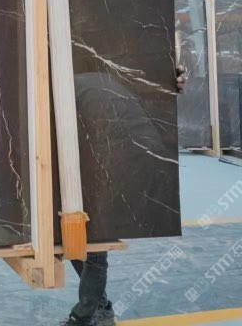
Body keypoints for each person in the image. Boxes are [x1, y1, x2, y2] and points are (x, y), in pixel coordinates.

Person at [61, 67, 186, 326]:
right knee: (77, 237)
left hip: (124, 157)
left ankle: (85, 316)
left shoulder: (65, 93)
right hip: (135, 153)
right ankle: (99, 306)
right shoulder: (96, 80)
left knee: (95, 241)